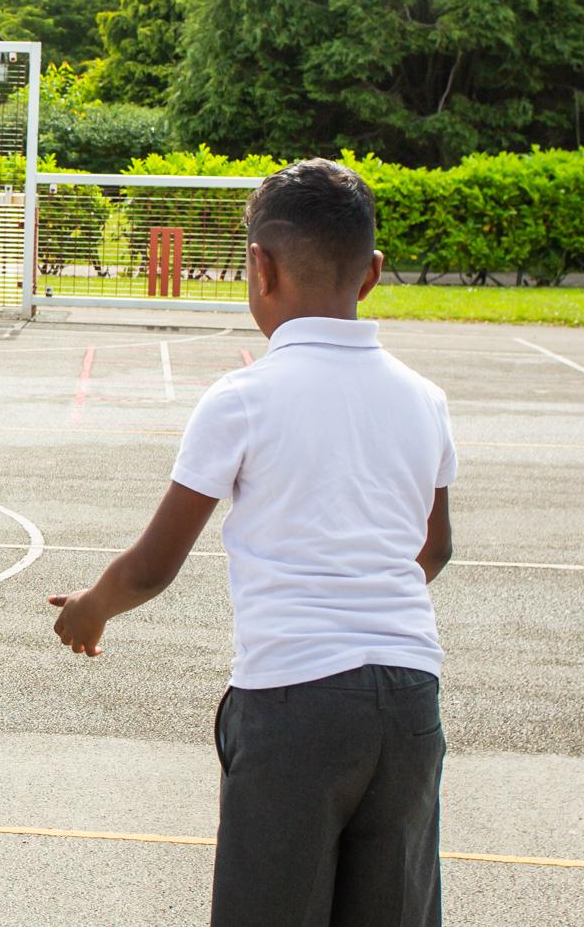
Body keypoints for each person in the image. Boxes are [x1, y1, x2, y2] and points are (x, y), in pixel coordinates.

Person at [48, 158, 456, 927]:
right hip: (410, 699)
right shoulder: (424, 398)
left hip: (293, 701)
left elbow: (154, 565)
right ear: (371, 272)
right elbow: (434, 548)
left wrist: (92, 607)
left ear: (260, 268)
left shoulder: (243, 397)